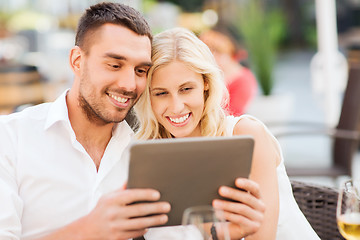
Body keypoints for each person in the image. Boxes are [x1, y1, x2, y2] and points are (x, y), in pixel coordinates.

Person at [0, 3, 265, 240]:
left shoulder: (153, 157)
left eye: (140, 71)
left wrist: (223, 235)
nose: (129, 84)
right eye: (114, 65)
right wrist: (89, 231)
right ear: (78, 61)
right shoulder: (11, 139)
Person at [134, 27, 321, 240]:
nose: (176, 107)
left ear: (205, 83)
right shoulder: (146, 156)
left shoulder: (246, 136)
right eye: (161, 93)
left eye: (186, 89)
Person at [199, 29, 258, 116]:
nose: (212, 57)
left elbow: (233, 114)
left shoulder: (244, 80)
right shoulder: (213, 74)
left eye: (216, 52)